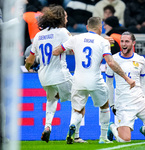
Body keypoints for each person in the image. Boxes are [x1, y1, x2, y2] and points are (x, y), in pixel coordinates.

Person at [52, 17, 136, 144]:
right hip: (95, 79)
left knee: (77, 109)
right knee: (104, 105)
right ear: (100, 28)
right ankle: (103, 137)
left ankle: (73, 127)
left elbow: (55, 51)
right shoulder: (103, 42)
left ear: (87, 27)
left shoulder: (76, 39)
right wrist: (126, 78)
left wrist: (72, 47)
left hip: (78, 80)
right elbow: (110, 62)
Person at [24, 5, 86, 143]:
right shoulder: (63, 32)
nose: (67, 18)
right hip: (60, 74)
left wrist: (27, 67)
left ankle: (47, 127)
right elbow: (75, 47)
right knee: (79, 100)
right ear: (59, 17)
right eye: (65, 16)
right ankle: (75, 135)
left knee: (52, 100)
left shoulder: (39, 35)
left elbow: (30, 59)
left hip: (44, 77)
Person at [106, 31, 145, 142]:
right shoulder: (112, 60)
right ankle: (112, 127)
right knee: (125, 140)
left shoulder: (141, 60)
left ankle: (144, 131)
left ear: (133, 43)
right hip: (123, 104)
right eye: (122, 41)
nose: (123, 44)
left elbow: (143, 84)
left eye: (127, 41)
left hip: (140, 101)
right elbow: (109, 84)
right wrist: (112, 104)